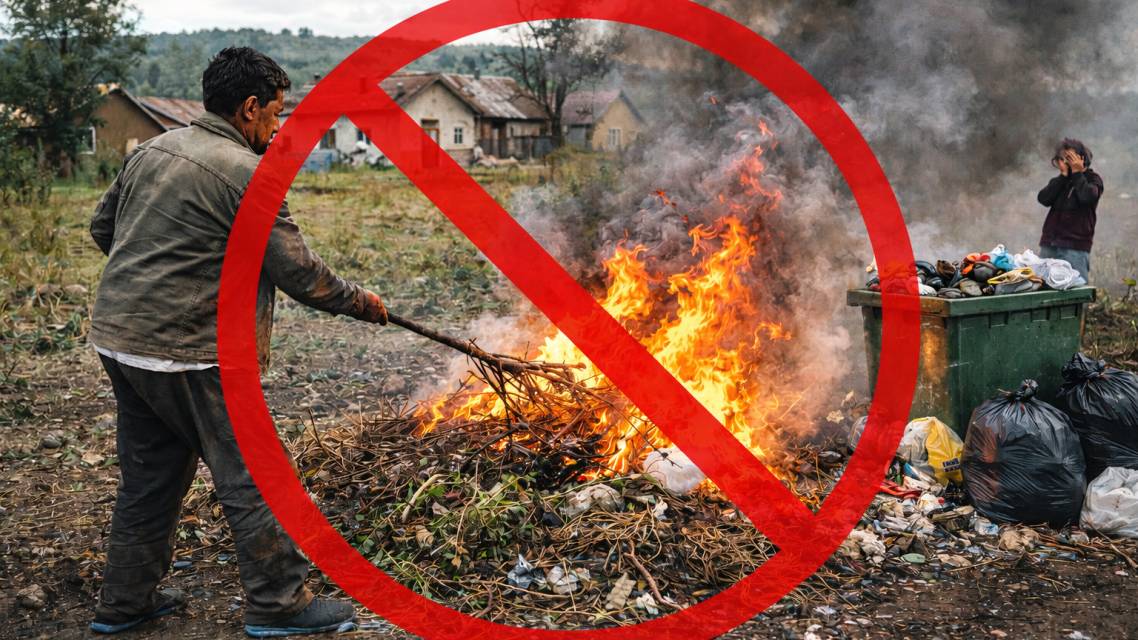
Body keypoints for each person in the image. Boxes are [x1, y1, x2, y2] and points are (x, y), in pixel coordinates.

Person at [87, 47, 383, 636]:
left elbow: (102, 228)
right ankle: (281, 605)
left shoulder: (152, 150)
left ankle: (126, 603)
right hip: (191, 351)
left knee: (150, 478)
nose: (276, 129)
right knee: (253, 475)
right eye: (275, 114)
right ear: (249, 108)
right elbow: (300, 275)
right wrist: (360, 301)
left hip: (119, 340)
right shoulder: (250, 175)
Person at [1037, 138, 1103, 281]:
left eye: (1070, 158)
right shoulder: (1061, 181)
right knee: (1042, 288)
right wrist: (1063, 177)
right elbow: (1043, 199)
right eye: (1063, 158)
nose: (1066, 162)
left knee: (1075, 291)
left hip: (1075, 247)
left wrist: (1078, 173)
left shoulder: (1093, 179)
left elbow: (1087, 197)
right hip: (1050, 244)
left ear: (1082, 158)